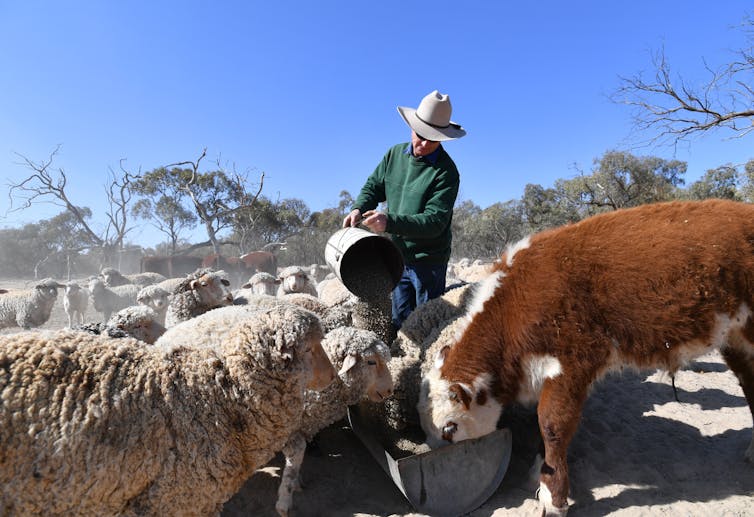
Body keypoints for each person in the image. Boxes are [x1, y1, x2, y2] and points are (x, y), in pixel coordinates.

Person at [343, 90, 466, 330]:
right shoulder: (394, 155)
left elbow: (434, 222)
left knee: (428, 328)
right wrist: (359, 207)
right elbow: (374, 186)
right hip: (397, 258)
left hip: (429, 262)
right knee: (400, 324)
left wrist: (389, 223)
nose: (422, 143)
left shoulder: (446, 173)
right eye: (419, 135)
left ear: (441, 138)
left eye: (431, 139)